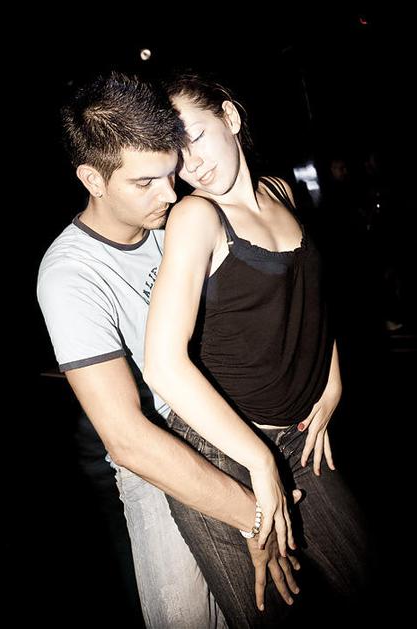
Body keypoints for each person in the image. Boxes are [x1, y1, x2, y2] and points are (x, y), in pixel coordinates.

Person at [37, 70, 300, 628]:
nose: (171, 193)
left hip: (239, 422)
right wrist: (255, 514)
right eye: (145, 182)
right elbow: (129, 440)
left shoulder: (178, 217)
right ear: (93, 178)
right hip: (161, 460)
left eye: (170, 172)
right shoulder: (70, 275)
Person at [144, 71, 369, 628]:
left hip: (299, 442)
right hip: (222, 454)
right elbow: (162, 365)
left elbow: (313, 294)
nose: (191, 165)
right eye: (175, 155)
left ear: (230, 117)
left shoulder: (279, 192)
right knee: (273, 616)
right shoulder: (196, 217)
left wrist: (332, 379)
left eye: (194, 136)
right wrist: (258, 460)